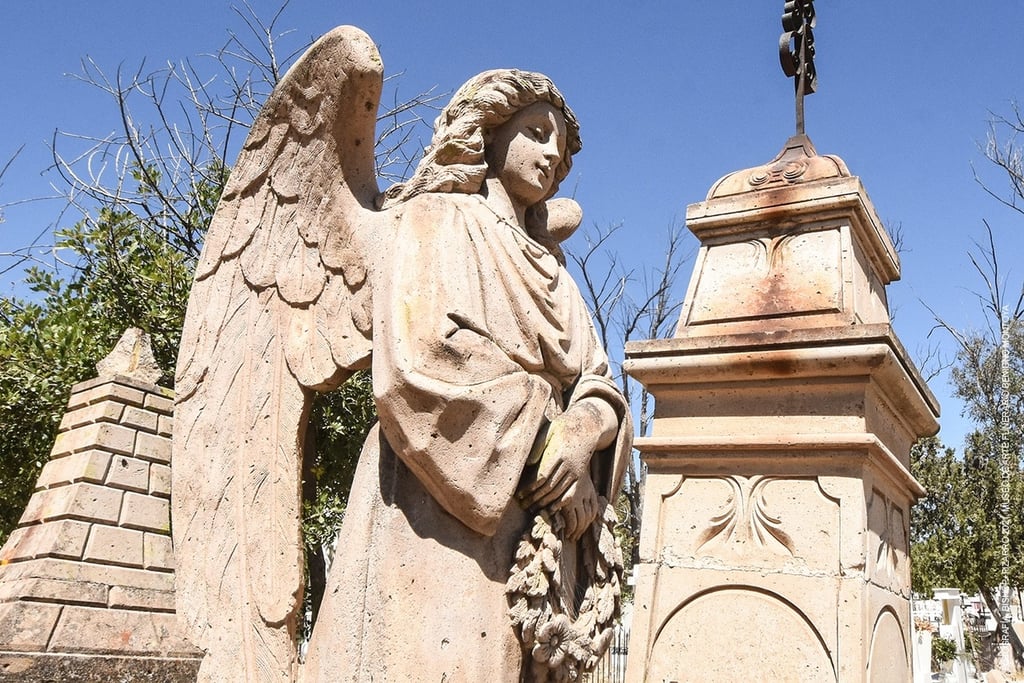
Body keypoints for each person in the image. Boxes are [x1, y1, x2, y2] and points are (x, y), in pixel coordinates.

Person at [301, 69, 631, 682]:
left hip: (538, 528)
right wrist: (546, 444)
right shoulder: (434, 220)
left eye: (560, 148)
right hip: (438, 506)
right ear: (489, 133)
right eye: (536, 133)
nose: (553, 154)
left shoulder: (557, 274)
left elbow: (599, 381)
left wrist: (583, 436)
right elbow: (422, 357)